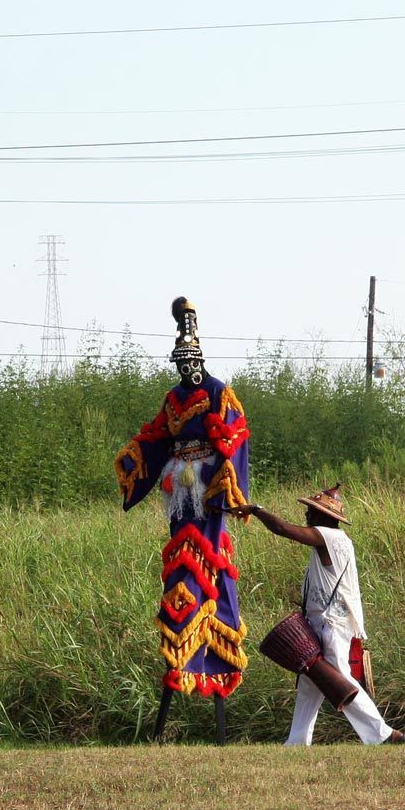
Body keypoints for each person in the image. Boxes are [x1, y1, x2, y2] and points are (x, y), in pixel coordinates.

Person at [114, 298, 252, 741]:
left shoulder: (217, 390)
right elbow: (156, 436)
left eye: (190, 360)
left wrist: (225, 472)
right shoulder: (172, 399)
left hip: (207, 489)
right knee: (180, 566)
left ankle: (212, 660)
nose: (184, 368)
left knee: (210, 567)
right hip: (179, 492)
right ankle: (182, 653)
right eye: (179, 362)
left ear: (200, 358)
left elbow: (235, 432)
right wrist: (134, 458)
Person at [227, 484, 405, 746]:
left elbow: (282, 529)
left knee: (338, 680)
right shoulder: (338, 540)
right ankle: (297, 742)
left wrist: (256, 510)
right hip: (326, 620)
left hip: (331, 622)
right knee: (311, 683)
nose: (307, 516)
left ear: (324, 517)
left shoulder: (330, 537)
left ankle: (384, 734)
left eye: (311, 511)